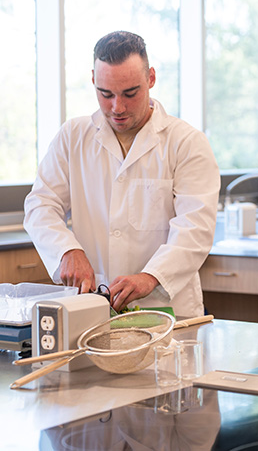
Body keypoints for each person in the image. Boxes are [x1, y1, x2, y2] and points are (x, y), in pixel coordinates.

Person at [24, 31, 220, 317]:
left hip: (167, 312)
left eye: (130, 93)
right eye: (106, 94)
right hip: (92, 309)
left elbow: (196, 229)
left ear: (151, 78)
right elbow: (40, 204)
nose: (117, 107)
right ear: (93, 79)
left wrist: (151, 276)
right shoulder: (72, 137)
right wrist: (66, 250)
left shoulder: (186, 142)